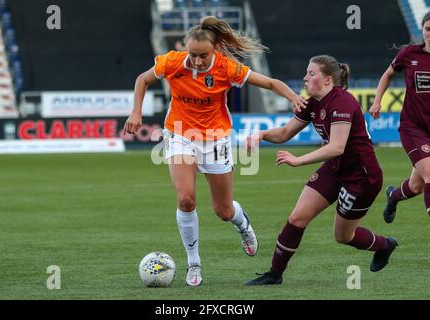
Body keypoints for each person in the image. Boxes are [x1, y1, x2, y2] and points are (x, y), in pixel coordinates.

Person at [123, 16, 307, 286]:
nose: (196, 61)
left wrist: (292, 97)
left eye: (203, 55)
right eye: (193, 54)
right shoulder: (173, 62)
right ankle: (193, 263)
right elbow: (142, 79)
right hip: (179, 134)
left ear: (214, 49)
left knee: (223, 211)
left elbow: (269, 83)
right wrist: (136, 111)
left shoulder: (226, 68)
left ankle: (242, 223)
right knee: (186, 200)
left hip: (215, 139)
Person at [245, 55, 398, 286]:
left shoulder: (342, 102)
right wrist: (262, 135)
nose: (305, 78)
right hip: (335, 170)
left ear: (327, 80)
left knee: (343, 236)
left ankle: (385, 245)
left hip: (361, 178)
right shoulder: (313, 103)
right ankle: (274, 274)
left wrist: (298, 160)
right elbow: (286, 133)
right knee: (297, 217)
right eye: (306, 73)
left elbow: (337, 147)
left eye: (311, 73)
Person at [369, 11, 430, 223]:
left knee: (416, 186)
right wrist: (377, 101)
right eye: (428, 29)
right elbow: (387, 74)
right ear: (422, 30)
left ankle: (393, 196)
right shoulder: (409, 54)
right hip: (413, 127)